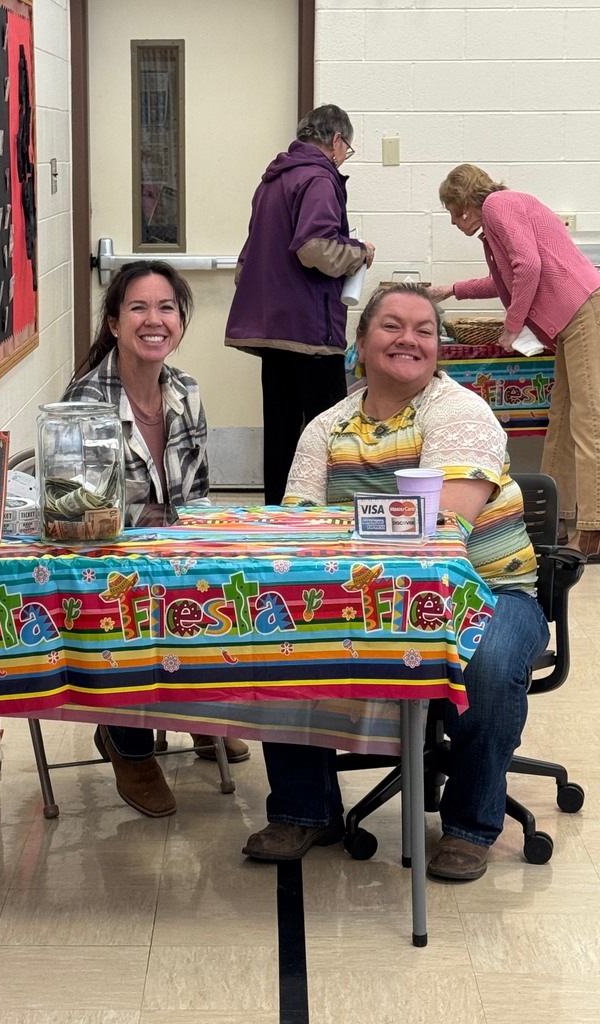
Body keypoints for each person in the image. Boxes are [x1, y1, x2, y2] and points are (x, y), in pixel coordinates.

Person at [242, 283, 550, 881]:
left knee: (486, 665)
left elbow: (443, 533)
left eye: (424, 330)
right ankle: (305, 811)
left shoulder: (460, 411)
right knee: (277, 628)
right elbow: (300, 531)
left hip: (486, 590)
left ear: (438, 349)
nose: (408, 338)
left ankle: (469, 825)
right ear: (360, 344)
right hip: (366, 594)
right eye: (391, 325)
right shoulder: (326, 428)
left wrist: (346, 534)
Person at [64, 259, 250, 818]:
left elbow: (199, 494)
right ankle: (129, 744)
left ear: (181, 321)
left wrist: (202, 551)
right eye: (139, 308)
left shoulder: (185, 391)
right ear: (115, 323)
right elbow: (81, 519)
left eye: (166, 308)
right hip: (108, 563)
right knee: (133, 601)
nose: (154, 320)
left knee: (226, 586)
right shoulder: (85, 402)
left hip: (173, 552)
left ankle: (192, 711)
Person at [428, 163, 600, 562]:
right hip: (570, 317)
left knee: (588, 422)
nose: (454, 222)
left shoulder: (499, 205)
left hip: (582, 311)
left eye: (454, 212)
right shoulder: (496, 221)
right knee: (561, 419)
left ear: (466, 203)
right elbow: (504, 280)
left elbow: (530, 266)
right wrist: (450, 290)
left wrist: (512, 326)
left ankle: (592, 530)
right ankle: (556, 517)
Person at [225, 103, 376, 506]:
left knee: (280, 433)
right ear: (336, 140)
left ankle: (277, 520)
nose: (345, 158)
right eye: (348, 150)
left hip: (272, 329)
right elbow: (315, 248)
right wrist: (359, 252)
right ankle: (328, 518)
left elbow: (252, 254)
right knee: (329, 429)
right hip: (309, 329)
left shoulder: (272, 181)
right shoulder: (320, 179)